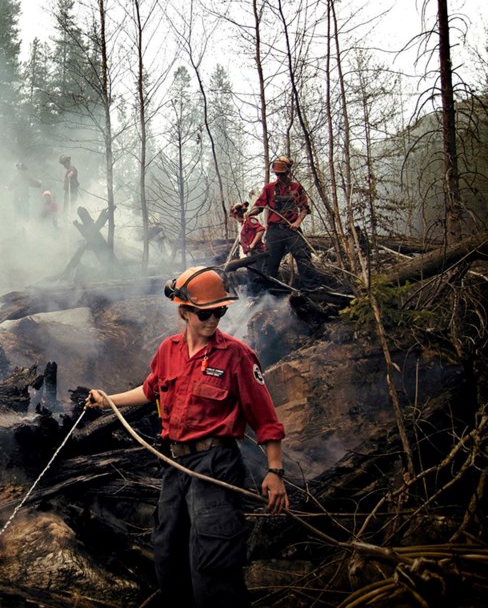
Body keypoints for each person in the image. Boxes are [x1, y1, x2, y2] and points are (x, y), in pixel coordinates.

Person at [87, 266, 288, 607]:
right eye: (205, 313)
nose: (213, 320)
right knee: (168, 552)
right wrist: (109, 400)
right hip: (175, 464)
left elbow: (265, 417)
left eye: (220, 312)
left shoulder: (237, 356)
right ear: (184, 310)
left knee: (213, 559)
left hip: (216, 464)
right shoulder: (169, 350)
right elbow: (150, 390)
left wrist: (275, 471)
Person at [246, 156, 319, 289]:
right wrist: (250, 212)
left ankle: (311, 289)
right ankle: (267, 293)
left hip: (292, 229)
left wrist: (297, 222)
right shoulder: (269, 189)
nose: (280, 177)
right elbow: (260, 206)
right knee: (270, 262)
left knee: (303, 256)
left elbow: (304, 209)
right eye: (277, 174)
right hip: (274, 231)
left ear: (288, 172)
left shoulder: (296, 188)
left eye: (282, 174)